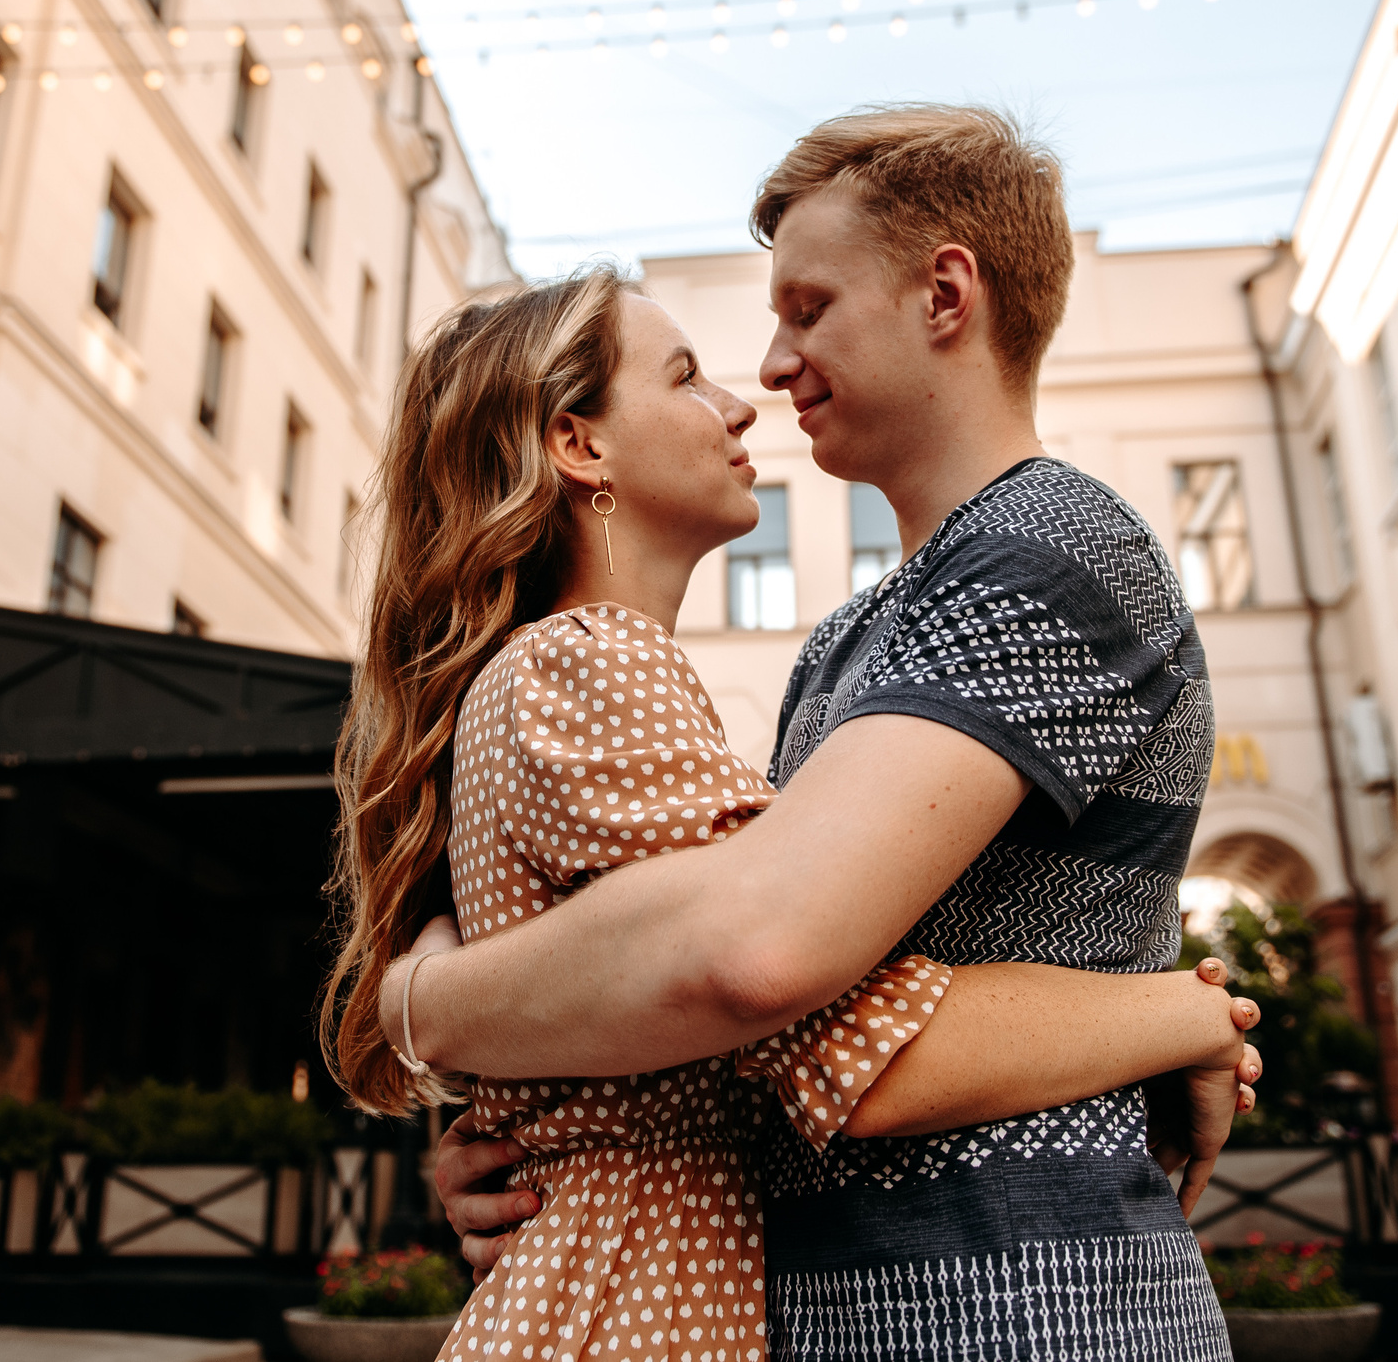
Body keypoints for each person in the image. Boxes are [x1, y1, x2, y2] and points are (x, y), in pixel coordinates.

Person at [384, 108, 1242, 1358]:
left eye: (806, 308)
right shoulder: (842, 638)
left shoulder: (1052, 548)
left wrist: (429, 1002)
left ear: (945, 295)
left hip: (1022, 1299)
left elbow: (763, 959)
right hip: (850, 1298)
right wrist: (524, 1112)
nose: (769, 367)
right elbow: (740, 987)